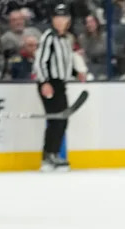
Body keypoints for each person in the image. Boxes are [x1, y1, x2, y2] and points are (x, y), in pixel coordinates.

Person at [33, 3, 87, 171]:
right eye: (57, 17)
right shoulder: (49, 37)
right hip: (50, 83)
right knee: (56, 120)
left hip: (60, 83)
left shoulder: (66, 39)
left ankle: (54, 153)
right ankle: (48, 156)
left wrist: (76, 72)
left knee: (62, 120)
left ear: (68, 20)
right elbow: (40, 61)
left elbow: (65, 62)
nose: (60, 20)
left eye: (63, 17)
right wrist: (44, 82)